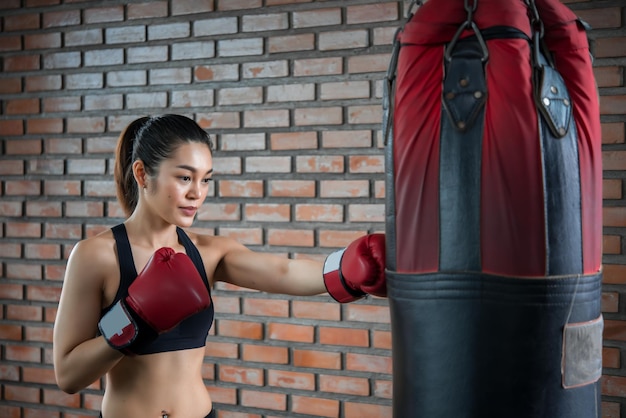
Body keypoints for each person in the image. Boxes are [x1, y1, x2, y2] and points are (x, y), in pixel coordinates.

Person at [52, 114, 387, 418]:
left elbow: (283, 272)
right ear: (142, 173)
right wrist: (133, 319)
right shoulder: (95, 256)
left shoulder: (209, 253)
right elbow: (68, 375)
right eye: (185, 177)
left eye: (206, 180)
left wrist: (345, 269)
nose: (197, 193)